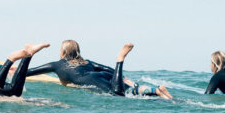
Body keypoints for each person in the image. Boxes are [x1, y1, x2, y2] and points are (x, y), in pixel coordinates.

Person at [23, 41, 173, 98]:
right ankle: (156, 90)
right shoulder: (86, 61)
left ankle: (120, 59)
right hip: (104, 75)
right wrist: (123, 78)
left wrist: (15, 69)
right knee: (129, 90)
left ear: (62, 53)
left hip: (89, 80)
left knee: (117, 94)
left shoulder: (56, 64)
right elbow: (106, 68)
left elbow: (29, 72)